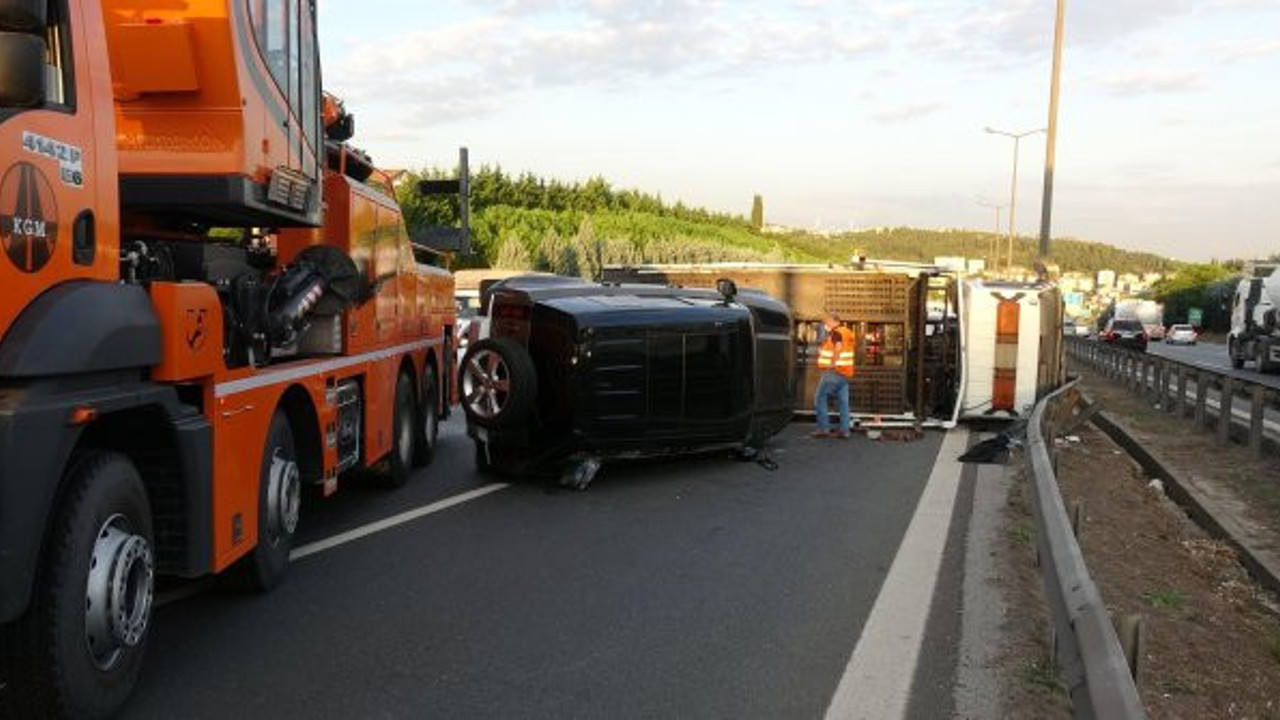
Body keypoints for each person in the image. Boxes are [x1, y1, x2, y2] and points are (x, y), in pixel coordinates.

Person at [813, 314, 856, 438]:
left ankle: (823, 429)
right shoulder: (847, 332)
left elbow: (838, 348)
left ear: (834, 321)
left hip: (834, 372)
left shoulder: (836, 333)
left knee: (819, 398)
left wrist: (832, 363)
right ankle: (844, 430)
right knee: (843, 402)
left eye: (827, 321)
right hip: (845, 372)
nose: (825, 324)